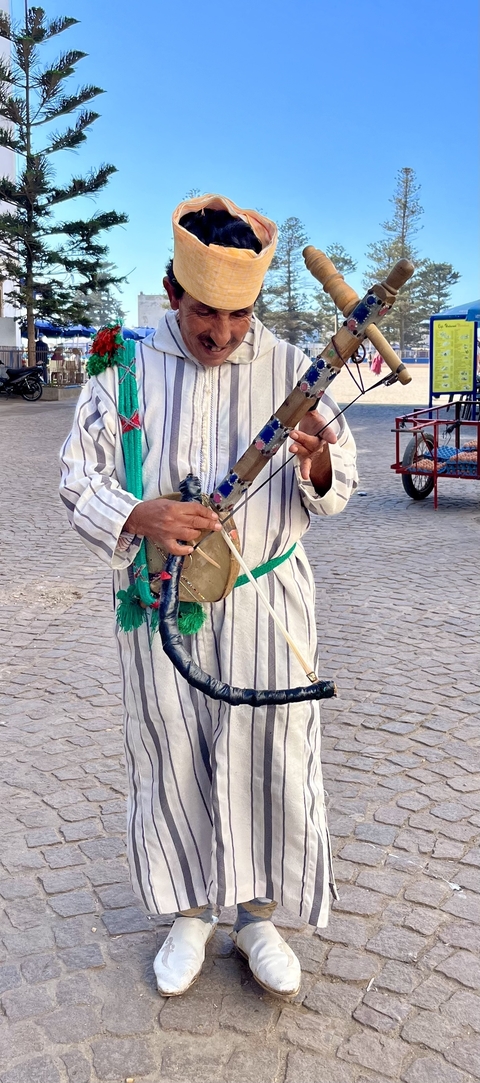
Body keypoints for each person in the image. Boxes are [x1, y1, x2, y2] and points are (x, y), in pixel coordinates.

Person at [59, 194, 358, 1000]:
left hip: (266, 601)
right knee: (173, 753)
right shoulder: (123, 363)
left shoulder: (300, 365)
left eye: (237, 314)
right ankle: (190, 911)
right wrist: (140, 514)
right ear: (172, 291)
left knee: (273, 758)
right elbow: (74, 474)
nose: (221, 333)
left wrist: (317, 461)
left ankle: (258, 917)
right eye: (203, 313)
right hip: (160, 603)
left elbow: (339, 485)